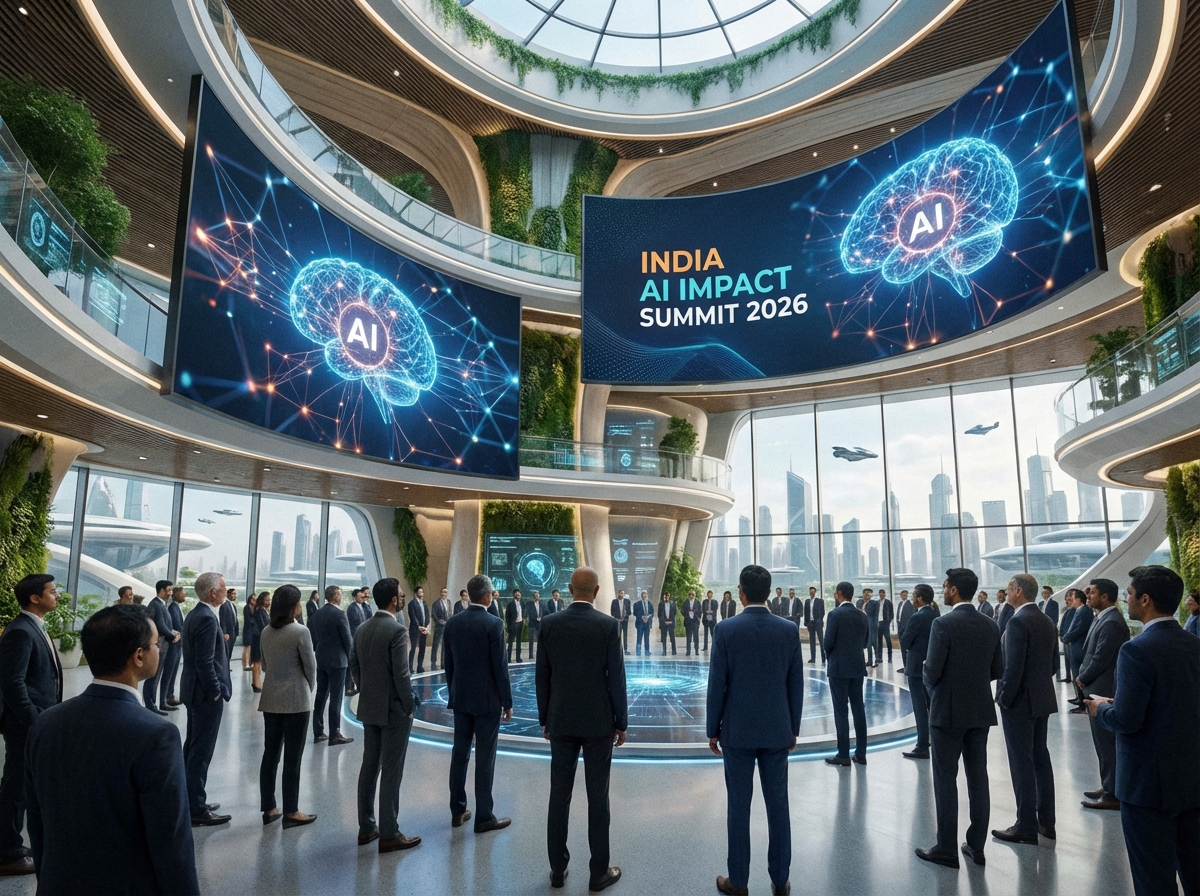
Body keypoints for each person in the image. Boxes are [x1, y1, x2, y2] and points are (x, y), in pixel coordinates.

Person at [25, 604, 200, 894]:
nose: (160, 648)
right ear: (139, 656)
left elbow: (38, 822)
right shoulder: (156, 734)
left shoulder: (46, 722)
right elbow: (170, 840)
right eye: (156, 643)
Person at [1088, 565, 1200, 896]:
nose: (1128, 597)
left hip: (1147, 785)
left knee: (1153, 878)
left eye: (1131, 593)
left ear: (1146, 599)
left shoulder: (1137, 649)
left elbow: (1126, 720)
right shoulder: (1194, 644)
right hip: (1192, 777)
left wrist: (1101, 708)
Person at [707, 565, 804, 896]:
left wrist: (712, 729)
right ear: (769, 592)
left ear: (741, 592)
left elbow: (717, 684)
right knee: (779, 806)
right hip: (778, 731)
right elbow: (796, 684)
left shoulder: (726, 629)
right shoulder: (788, 629)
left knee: (739, 806)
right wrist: (793, 728)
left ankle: (738, 881)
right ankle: (780, 880)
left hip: (737, 732)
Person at [535, 566, 626, 892]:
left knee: (559, 796)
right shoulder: (607, 626)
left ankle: (557, 870)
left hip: (561, 720)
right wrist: (621, 722)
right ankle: (598, 873)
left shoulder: (549, 624)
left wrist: (545, 718)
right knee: (597, 798)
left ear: (571, 589)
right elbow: (615, 678)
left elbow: (542, 676)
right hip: (599, 723)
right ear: (597, 591)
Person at [915, 567, 1003, 869]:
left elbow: (931, 672)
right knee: (978, 778)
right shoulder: (991, 625)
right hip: (980, 711)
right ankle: (976, 846)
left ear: (953, 590)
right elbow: (997, 670)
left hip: (947, 713)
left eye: (945, 586)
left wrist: (929, 671)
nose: (942, 590)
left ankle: (947, 848)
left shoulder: (943, 623)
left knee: (945, 780)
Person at [351, 578, 420, 853]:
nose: (403, 597)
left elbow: (355, 666)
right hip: (394, 710)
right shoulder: (397, 630)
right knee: (392, 769)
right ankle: (389, 832)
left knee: (370, 767)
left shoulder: (361, 628)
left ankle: (367, 827)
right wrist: (408, 705)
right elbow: (402, 674)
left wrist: (366, 690)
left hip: (369, 707)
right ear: (393, 599)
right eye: (401, 594)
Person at [0, 574, 62, 875]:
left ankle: (11, 843)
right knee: (15, 786)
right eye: (52, 591)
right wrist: (34, 719)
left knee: (22, 785)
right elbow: (12, 683)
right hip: (24, 723)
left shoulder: (33, 627)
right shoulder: (21, 631)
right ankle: (7, 852)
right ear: (35, 598)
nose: (57, 595)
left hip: (34, 720)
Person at [443, 574, 513, 834]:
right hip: (487, 703)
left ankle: (458, 810)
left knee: (459, 754)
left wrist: (454, 692)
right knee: (485, 758)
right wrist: (507, 701)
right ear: (486, 596)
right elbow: (500, 667)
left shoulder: (453, 623)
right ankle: (484, 816)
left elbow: (448, 665)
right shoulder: (493, 624)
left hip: (460, 699)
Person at [993, 573, 1058, 845]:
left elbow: (1013, 668)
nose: (1007, 592)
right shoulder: (1046, 620)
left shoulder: (1018, 620)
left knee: (1021, 762)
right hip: (1042, 698)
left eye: (1009, 588)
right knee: (1040, 759)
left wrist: (1003, 698)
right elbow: (1054, 664)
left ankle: (1025, 825)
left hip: (1020, 702)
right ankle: (1047, 822)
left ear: (1018, 591)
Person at [258, 584, 317, 829]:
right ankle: (291, 810)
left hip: (271, 699)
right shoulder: (300, 631)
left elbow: (263, 667)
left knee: (270, 755)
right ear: (293, 606)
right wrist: (308, 688)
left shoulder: (265, 632)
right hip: (296, 701)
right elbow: (310, 666)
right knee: (293, 758)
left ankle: (269, 808)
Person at [181, 572, 233, 827]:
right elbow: (204, 661)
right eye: (223, 588)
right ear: (213, 592)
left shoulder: (195, 613)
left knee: (192, 747)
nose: (226, 591)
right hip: (204, 694)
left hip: (193, 691)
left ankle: (190, 799)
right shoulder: (206, 618)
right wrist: (215, 690)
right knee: (200, 752)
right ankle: (196, 808)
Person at [1075, 578, 1129, 810]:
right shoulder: (1104, 617)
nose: (1088, 594)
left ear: (1105, 596)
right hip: (1096, 687)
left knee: (1107, 743)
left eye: (1093, 592)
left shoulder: (1112, 622)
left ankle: (1113, 793)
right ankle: (1108, 784)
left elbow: (1101, 657)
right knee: (1102, 744)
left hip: (1103, 690)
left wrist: (1082, 678)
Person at [823, 582, 869, 767]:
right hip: (857, 667)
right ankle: (861, 753)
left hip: (839, 669)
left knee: (841, 711)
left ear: (840, 594)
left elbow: (828, 643)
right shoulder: (862, 615)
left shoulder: (835, 614)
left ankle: (843, 754)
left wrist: (832, 657)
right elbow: (865, 641)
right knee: (859, 710)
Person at [310, 585, 354, 746]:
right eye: (340, 594)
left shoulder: (318, 614)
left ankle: (318, 731)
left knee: (321, 695)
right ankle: (335, 732)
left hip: (322, 658)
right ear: (335, 595)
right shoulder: (340, 614)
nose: (341, 596)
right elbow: (347, 640)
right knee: (336, 697)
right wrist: (352, 659)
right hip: (338, 661)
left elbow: (313, 636)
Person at [900, 585, 937, 759]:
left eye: (914, 596)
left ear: (920, 598)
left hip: (916, 669)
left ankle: (922, 745)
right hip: (931, 666)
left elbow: (905, 641)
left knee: (920, 708)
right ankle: (933, 741)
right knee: (931, 705)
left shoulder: (917, 617)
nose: (913, 599)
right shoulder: (935, 615)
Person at [143, 580, 179, 716]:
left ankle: (159, 703)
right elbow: (159, 625)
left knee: (157, 676)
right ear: (161, 590)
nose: (170, 593)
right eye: (169, 590)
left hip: (163, 645)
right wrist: (172, 635)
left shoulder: (162, 605)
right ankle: (150, 705)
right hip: (157, 646)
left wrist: (173, 632)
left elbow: (165, 625)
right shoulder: (156, 604)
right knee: (153, 676)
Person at [161, 586, 187, 709]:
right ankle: (165, 698)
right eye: (182, 593)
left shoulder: (176, 607)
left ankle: (169, 696)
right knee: (169, 672)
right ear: (176, 595)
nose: (184, 595)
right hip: (173, 645)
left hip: (177, 645)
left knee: (173, 672)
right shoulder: (173, 608)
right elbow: (176, 626)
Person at [250, 592, 270, 694]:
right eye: (267, 599)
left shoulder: (263, 610)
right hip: (257, 638)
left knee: (258, 661)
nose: (269, 601)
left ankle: (257, 682)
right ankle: (256, 683)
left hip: (259, 638)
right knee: (256, 662)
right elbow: (263, 625)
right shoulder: (259, 611)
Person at [407, 587, 429, 674]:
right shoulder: (411, 604)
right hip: (415, 629)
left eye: (422, 592)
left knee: (422, 648)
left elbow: (427, 614)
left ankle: (420, 666)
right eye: (420, 592)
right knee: (413, 649)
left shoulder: (424, 603)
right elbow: (413, 616)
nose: (421, 593)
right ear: (416, 593)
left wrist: (426, 626)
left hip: (424, 629)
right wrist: (418, 626)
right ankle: (410, 667)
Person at [430, 588, 451, 671]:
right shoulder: (436, 603)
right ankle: (433, 663)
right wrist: (439, 622)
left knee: (444, 646)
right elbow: (433, 615)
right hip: (439, 627)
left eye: (445, 592)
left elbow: (450, 613)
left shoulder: (448, 602)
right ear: (440, 593)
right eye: (442, 592)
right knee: (435, 645)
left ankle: (443, 663)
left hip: (446, 627)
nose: (444, 593)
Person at [804, 586, 825, 664]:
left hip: (818, 623)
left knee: (821, 641)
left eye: (813, 592)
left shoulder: (819, 601)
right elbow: (806, 613)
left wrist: (819, 621)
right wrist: (807, 623)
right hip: (810, 623)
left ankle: (823, 658)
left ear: (815, 592)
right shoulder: (807, 601)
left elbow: (822, 612)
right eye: (810, 592)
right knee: (812, 641)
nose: (811, 593)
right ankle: (813, 658)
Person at [219, 587, 239, 664]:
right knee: (226, 651)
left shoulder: (233, 605)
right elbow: (223, 619)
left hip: (233, 633)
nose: (235, 595)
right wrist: (224, 633)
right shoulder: (224, 604)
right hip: (227, 633)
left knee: (230, 651)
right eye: (233, 593)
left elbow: (235, 619)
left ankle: (227, 666)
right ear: (228, 594)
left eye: (235, 594)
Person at [505, 589, 525, 664]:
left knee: (519, 642)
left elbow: (524, 612)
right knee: (510, 642)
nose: (518, 595)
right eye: (516, 594)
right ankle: (508, 658)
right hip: (513, 625)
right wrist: (509, 625)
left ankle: (518, 658)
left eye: (519, 594)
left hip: (520, 624)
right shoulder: (510, 604)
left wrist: (523, 618)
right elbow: (507, 616)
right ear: (514, 595)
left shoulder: (522, 603)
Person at [897, 589, 915, 670]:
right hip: (900, 627)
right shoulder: (900, 604)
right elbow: (898, 615)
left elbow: (910, 617)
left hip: (905, 628)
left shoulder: (910, 605)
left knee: (906, 648)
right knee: (902, 648)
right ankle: (905, 666)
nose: (904, 596)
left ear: (907, 595)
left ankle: (907, 666)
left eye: (905, 595)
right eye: (902, 595)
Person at [610, 589, 631, 656]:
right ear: (617, 594)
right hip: (617, 621)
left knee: (625, 635)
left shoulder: (627, 601)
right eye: (619, 593)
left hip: (625, 621)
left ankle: (625, 649)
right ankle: (617, 650)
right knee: (617, 635)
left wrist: (624, 617)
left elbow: (629, 612)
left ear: (623, 594)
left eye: (622, 593)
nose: (620, 594)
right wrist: (618, 617)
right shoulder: (614, 601)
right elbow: (612, 612)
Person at [241, 592, 258, 672]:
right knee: (247, 646)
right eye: (254, 599)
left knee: (251, 647)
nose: (255, 601)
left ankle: (250, 662)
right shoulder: (247, 608)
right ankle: (246, 663)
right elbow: (248, 619)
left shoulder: (256, 608)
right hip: (248, 630)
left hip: (253, 631)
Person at [633, 591, 653, 656]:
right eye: (643, 596)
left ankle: (647, 650)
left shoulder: (650, 603)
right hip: (640, 623)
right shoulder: (637, 604)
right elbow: (635, 613)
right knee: (639, 637)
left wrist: (648, 617)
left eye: (645, 596)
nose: (644, 597)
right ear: (641, 596)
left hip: (647, 623)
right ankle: (638, 650)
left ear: (647, 596)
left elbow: (652, 613)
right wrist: (642, 617)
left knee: (647, 637)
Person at [682, 590, 702, 656]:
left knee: (696, 637)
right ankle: (688, 651)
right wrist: (687, 613)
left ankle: (696, 650)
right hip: (688, 621)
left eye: (692, 594)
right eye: (690, 594)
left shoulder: (697, 602)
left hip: (695, 621)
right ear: (689, 595)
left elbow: (700, 611)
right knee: (688, 637)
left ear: (694, 595)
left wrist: (697, 615)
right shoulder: (686, 602)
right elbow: (682, 610)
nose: (691, 596)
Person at [526, 591, 544, 661]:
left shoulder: (542, 604)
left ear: (539, 596)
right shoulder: (530, 604)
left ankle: (540, 655)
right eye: (535, 595)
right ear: (533, 596)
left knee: (540, 641)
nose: (537, 596)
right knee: (531, 641)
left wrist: (541, 618)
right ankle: (531, 655)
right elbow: (529, 614)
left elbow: (544, 613)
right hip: (532, 624)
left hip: (539, 624)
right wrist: (536, 619)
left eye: (538, 595)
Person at [879, 589, 894, 664]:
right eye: (880, 593)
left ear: (885, 594)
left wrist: (888, 622)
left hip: (885, 623)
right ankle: (879, 658)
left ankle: (890, 657)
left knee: (888, 640)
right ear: (879, 594)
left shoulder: (888, 602)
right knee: (879, 642)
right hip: (878, 623)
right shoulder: (877, 602)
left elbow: (892, 613)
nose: (882, 594)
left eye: (883, 593)